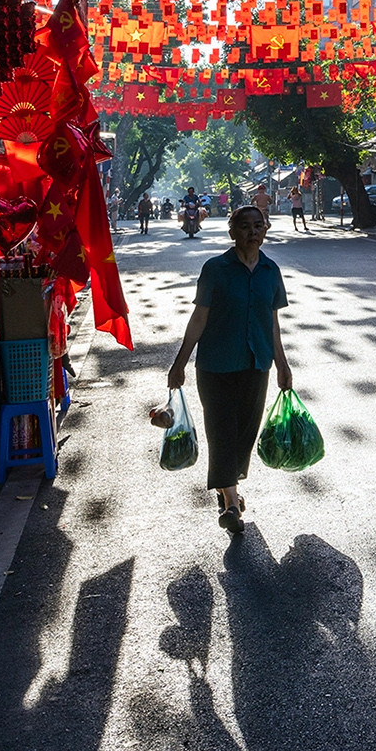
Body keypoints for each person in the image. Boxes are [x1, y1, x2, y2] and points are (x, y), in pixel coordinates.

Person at [161, 206, 294, 535]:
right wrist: (180, 363)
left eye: (258, 226)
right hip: (216, 366)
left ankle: (228, 487)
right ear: (232, 232)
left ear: (265, 230)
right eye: (245, 226)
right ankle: (231, 504)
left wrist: (282, 364)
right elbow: (199, 319)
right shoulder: (215, 269)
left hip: (256, 364)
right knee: (221, 433)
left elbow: (272, 324)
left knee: (244, 434)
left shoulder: (270, 271)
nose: (253, 232)